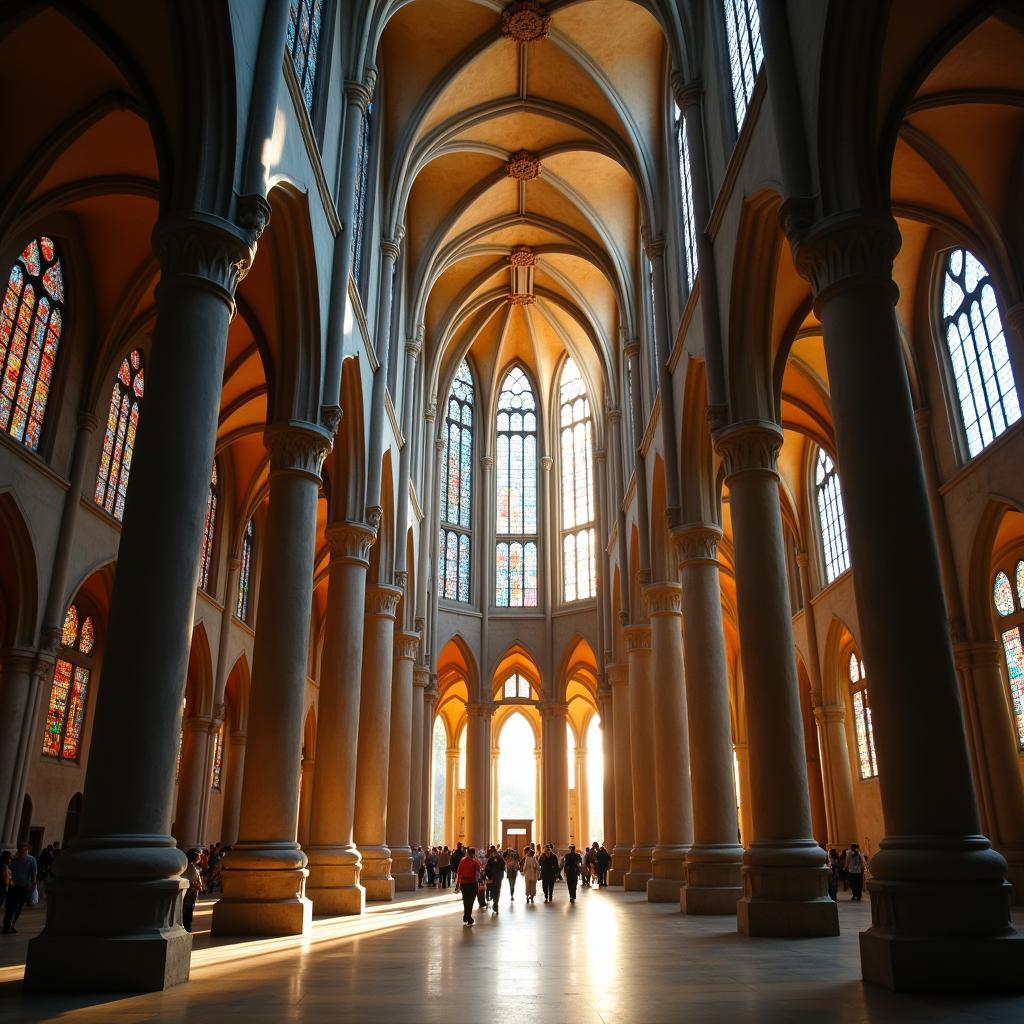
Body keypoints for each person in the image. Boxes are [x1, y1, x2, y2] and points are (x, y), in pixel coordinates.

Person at [2, 843, 37, 934]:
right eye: (20, 850)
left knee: (19, 907)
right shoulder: (14, 859)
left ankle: (11, 924)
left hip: (24, 887)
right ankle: (7, 925)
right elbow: (9, 870)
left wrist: (32, 885)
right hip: (13, 886)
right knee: (10, 906)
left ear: (27, 850)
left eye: (24, 850)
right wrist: (10, 881)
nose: (21, 852)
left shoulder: (31, 860)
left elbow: (33, 873)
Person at [455, 846, 481, 925]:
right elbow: (478, 873)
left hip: (464, 884)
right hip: (472, 884)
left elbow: (459, 873)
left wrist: (457, 884)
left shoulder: (462, 861)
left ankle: (466, 916)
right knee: (471, 901)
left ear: (467, 853)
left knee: (466, 901)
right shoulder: (475, 862)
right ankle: (468, 917)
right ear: (473, 853)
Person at [182, 848, 204, 933]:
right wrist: (197, 886)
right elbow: (190, 881)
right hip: (188, 896)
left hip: (190, 896)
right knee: (187, 915)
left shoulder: (190, 866)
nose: (200, 858)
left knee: (187, 914)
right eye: (199, 856)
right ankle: (187, 931)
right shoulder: (189, 867)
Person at [485, 846, 505, 913]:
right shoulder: (500, 859)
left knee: (493, 890)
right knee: (497, 890)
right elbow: (503, 867)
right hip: (498, 878)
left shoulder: (490, 860)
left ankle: (494, 902)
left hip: (492, 878)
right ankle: (495, 904)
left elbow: (487, 869)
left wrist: (487, 876)